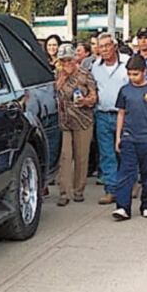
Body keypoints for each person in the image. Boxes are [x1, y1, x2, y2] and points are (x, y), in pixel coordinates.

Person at [112, 55, 147, 221]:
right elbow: (121, 113)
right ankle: (122, 207)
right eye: (129, 74)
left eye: (135, 74)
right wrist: (118, 136)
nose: (132, 77)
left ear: (144, 72)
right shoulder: (125, 90)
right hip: (128, 137)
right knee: (126, 173)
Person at [54, 44, 98, 206]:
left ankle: (78, 190)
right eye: (63, 60)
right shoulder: (58, 75)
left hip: (83, 120)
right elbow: (54, 92)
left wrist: (85, 101)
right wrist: (63, 78)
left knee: (81, 156)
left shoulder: (85, 75)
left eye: (69, 60)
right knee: (65, 157)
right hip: (65, 121)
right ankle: (64, 192)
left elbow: (94, 97)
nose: (67, 63)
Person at [90, 33, 130, 205]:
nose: (104, 49)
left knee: (126, 152)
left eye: (107, 45)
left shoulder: (127, 62)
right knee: (107, 154)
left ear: (114, 46)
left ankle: (128, 185)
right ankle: (111, 189)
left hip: (126, 115)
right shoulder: (94, 67)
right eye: (101, 46)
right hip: (102, 114)